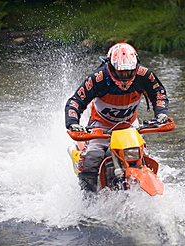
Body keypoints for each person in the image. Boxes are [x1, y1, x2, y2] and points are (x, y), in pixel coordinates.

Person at [65, 42, 169, 192]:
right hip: (100, 125)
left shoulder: (144, 75)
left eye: (129, 71)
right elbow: (76, 101)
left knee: (143, 157)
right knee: (90, 161)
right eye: (121, 72)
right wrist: (73, 123)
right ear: (111, 67)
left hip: (130, 125)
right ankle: (88, 200)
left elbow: (158, 93)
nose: (125, 76)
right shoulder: (98, 78)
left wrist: (161, 114)